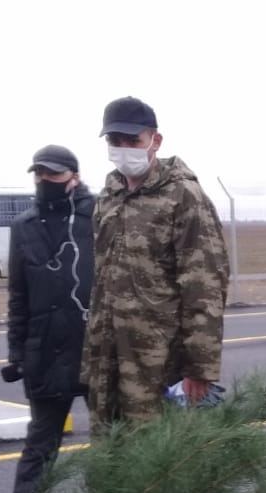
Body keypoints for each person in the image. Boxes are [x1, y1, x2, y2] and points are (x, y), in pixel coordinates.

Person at [83, 97, 230, 427]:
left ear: (155, 140)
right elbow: (103, 281)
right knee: (109, 446)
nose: (123, 149)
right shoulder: (109, 197)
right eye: (115, 141)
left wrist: (199, 368)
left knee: (156, 450)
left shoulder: (183, 195)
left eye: (133, 141)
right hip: (107, 359)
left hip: (159, 365)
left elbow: (205, 286)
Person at [0, 145, 94, 493]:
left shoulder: (99, 217)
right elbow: (18, 296)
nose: (44, 180)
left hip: (96, 351)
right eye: (39, 173)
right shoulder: (24, 226)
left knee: (112, 444)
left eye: (53, 173)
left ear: (74, 176)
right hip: (46, 353)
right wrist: (17, 352)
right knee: (39, 447)